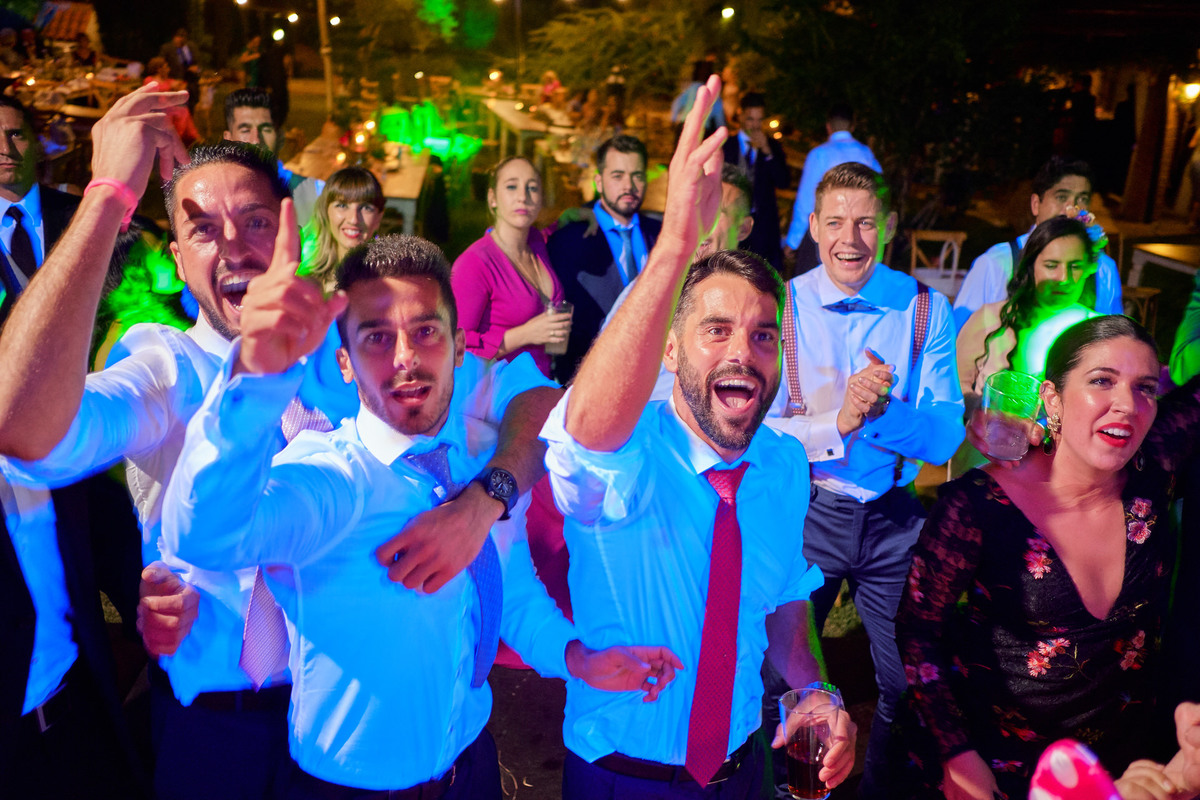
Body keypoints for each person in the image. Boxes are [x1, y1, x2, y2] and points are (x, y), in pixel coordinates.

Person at [0, 86, 526, 799]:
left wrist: (481, 503)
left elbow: (533, 400)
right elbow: (23, 428)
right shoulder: (164, 369)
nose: (233, 246)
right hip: (226, 733)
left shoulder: (355, 350)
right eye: (202, 230)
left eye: (253, 221)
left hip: (351, 723)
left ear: (291, 232)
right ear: (177, 258)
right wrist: (105, 198)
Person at [162, 230, 682, 798]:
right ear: (344, 363)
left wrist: (575, 657)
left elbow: (508, 591)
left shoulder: (476, 462)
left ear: (459, 347)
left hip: (472, 769)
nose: (405, 357)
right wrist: (254, 381)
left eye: (425, 332)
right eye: (377, 337)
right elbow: (203, 534)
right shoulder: (331, 478)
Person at [544, 72, 856, 800]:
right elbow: (585, 430)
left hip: (743, 773)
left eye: (762, 335)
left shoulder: (783, 465)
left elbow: (784, 602)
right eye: (715, 331)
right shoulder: (629, 452)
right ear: (671, 350)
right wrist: (676, 245)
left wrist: (816, 691)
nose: (741, 352)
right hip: (622, 780)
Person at [896, 314, 1195, 799]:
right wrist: (957, 754)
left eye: (1145, 388)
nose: (1127, 404)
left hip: (1118, 771)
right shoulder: (976, 505)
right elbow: (917, 630)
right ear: (1052, 398)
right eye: (1102, 381)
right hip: (995, 769)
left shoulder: (1154, 470)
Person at [766, 160, 965, 798]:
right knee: (782, 676)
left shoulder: (925, 308)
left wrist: (883, 416)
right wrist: (840, 420)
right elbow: (762, 435)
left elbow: (945, 436)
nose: (849, 239)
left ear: (891, 226)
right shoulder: (783, 306)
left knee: (908, 681)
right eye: (835, 223)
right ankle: (791, 790)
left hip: (893, 517)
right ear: (813, 226)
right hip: (808, 509)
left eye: (866, 223)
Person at [953, 156, 1123, 330]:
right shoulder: (996, 263)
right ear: (1036, 204)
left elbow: (1115, 335)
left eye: (1082, 199)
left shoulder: (1103, 268)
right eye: (1061, 197)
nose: (1071, 208)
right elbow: (960, 333)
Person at [547, 134, 660, 383]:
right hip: (587, 377)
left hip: (654, 378)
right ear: (599, 181)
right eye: (618, 176)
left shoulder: (662, 234)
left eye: (637, 175)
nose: (628, 185)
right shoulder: (569, 239)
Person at [957, 216, 1100, 407]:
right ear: (1030, 266)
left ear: (1090, 267)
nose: (1064, 278)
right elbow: (953, 387)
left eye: (1075, 266)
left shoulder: (1099, 330)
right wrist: (985, 410)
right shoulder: (992, 317)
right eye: (1051, 265)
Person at [453, 156, 568, 379]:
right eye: (512, 186)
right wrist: (525, 334)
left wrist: (573, 216)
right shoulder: (474, 263)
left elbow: (548, 231)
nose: (523, 197)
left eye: (532, 188)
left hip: (541, 385)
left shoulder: (536, 242)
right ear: (492, 198)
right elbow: (455, 346)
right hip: (497, 391)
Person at [784, 103, 882, 275]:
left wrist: (793, 241)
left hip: (826, 232)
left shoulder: (819, 154)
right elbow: (880, 192)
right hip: (859, 231)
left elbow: (806, 202)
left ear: (828, 126)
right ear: (853, 125)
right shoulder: (866, 153)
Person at [223, 87, 324, 226]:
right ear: (228, 139)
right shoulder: (210, 198)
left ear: (280, 137)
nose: (256, 140)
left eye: (266, 129)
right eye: (245, 130)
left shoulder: (314, 194)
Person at [721, 91, 789, 269]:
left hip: (763, 226)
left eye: (760, 120)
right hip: (732, 221)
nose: (756, 126)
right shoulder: (726, 146)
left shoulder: (773, 146)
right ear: (741, 115)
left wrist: (767, 151)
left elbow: (783, 181)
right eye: (751, 119)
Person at [300, 166, 383, 287]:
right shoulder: (305, 282)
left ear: (378, 217)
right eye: (342, 205)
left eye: (366, 208)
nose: (354, 220)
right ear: (325, 212)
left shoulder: (388, 283)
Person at [143, 57, 200, 147]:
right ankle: (179, 139)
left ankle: (185, 139)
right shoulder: (149, 80)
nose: (168, 69)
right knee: (180, 112)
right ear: (159, 69)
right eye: (166, 67)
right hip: (156, 108)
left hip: (168, 107)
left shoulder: (167, 80)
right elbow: (150, 94)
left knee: (183, 111)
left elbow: (181, 85)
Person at [159, 28, 200, 112]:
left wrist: (196, 68)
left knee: (190, 107)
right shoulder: (167, 48)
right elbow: (161, 64)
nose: (181, 39)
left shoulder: (191, 47)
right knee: (176, 107)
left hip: (190, 82)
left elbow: (197, 63)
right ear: (174, 37)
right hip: (174, 81)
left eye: (183, 37)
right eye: (178, 36)